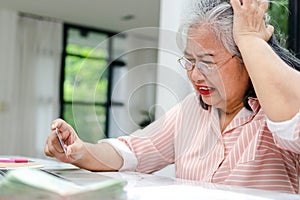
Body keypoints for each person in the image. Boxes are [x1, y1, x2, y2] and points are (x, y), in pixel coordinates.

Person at [45, 0, 300, 194]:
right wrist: (78, 151)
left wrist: (249, 39)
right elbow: (132, 152)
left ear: (246, 59)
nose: (196, 75)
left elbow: (292, 122)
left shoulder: (274, 110)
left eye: (207, 62)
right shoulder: (191, 110)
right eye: (189, 61)